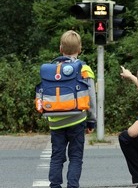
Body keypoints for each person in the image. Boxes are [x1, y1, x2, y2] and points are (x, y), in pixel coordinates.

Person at [47, 30, 97, 188]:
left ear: (60, 48)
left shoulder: (52, 69)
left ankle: (55, 185)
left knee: (57, 156)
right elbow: (91, 98)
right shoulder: (84, 69)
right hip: (77, 120)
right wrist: (92, 120)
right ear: (80, 49)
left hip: (56, 121)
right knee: (76, 157)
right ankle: (72, 186)